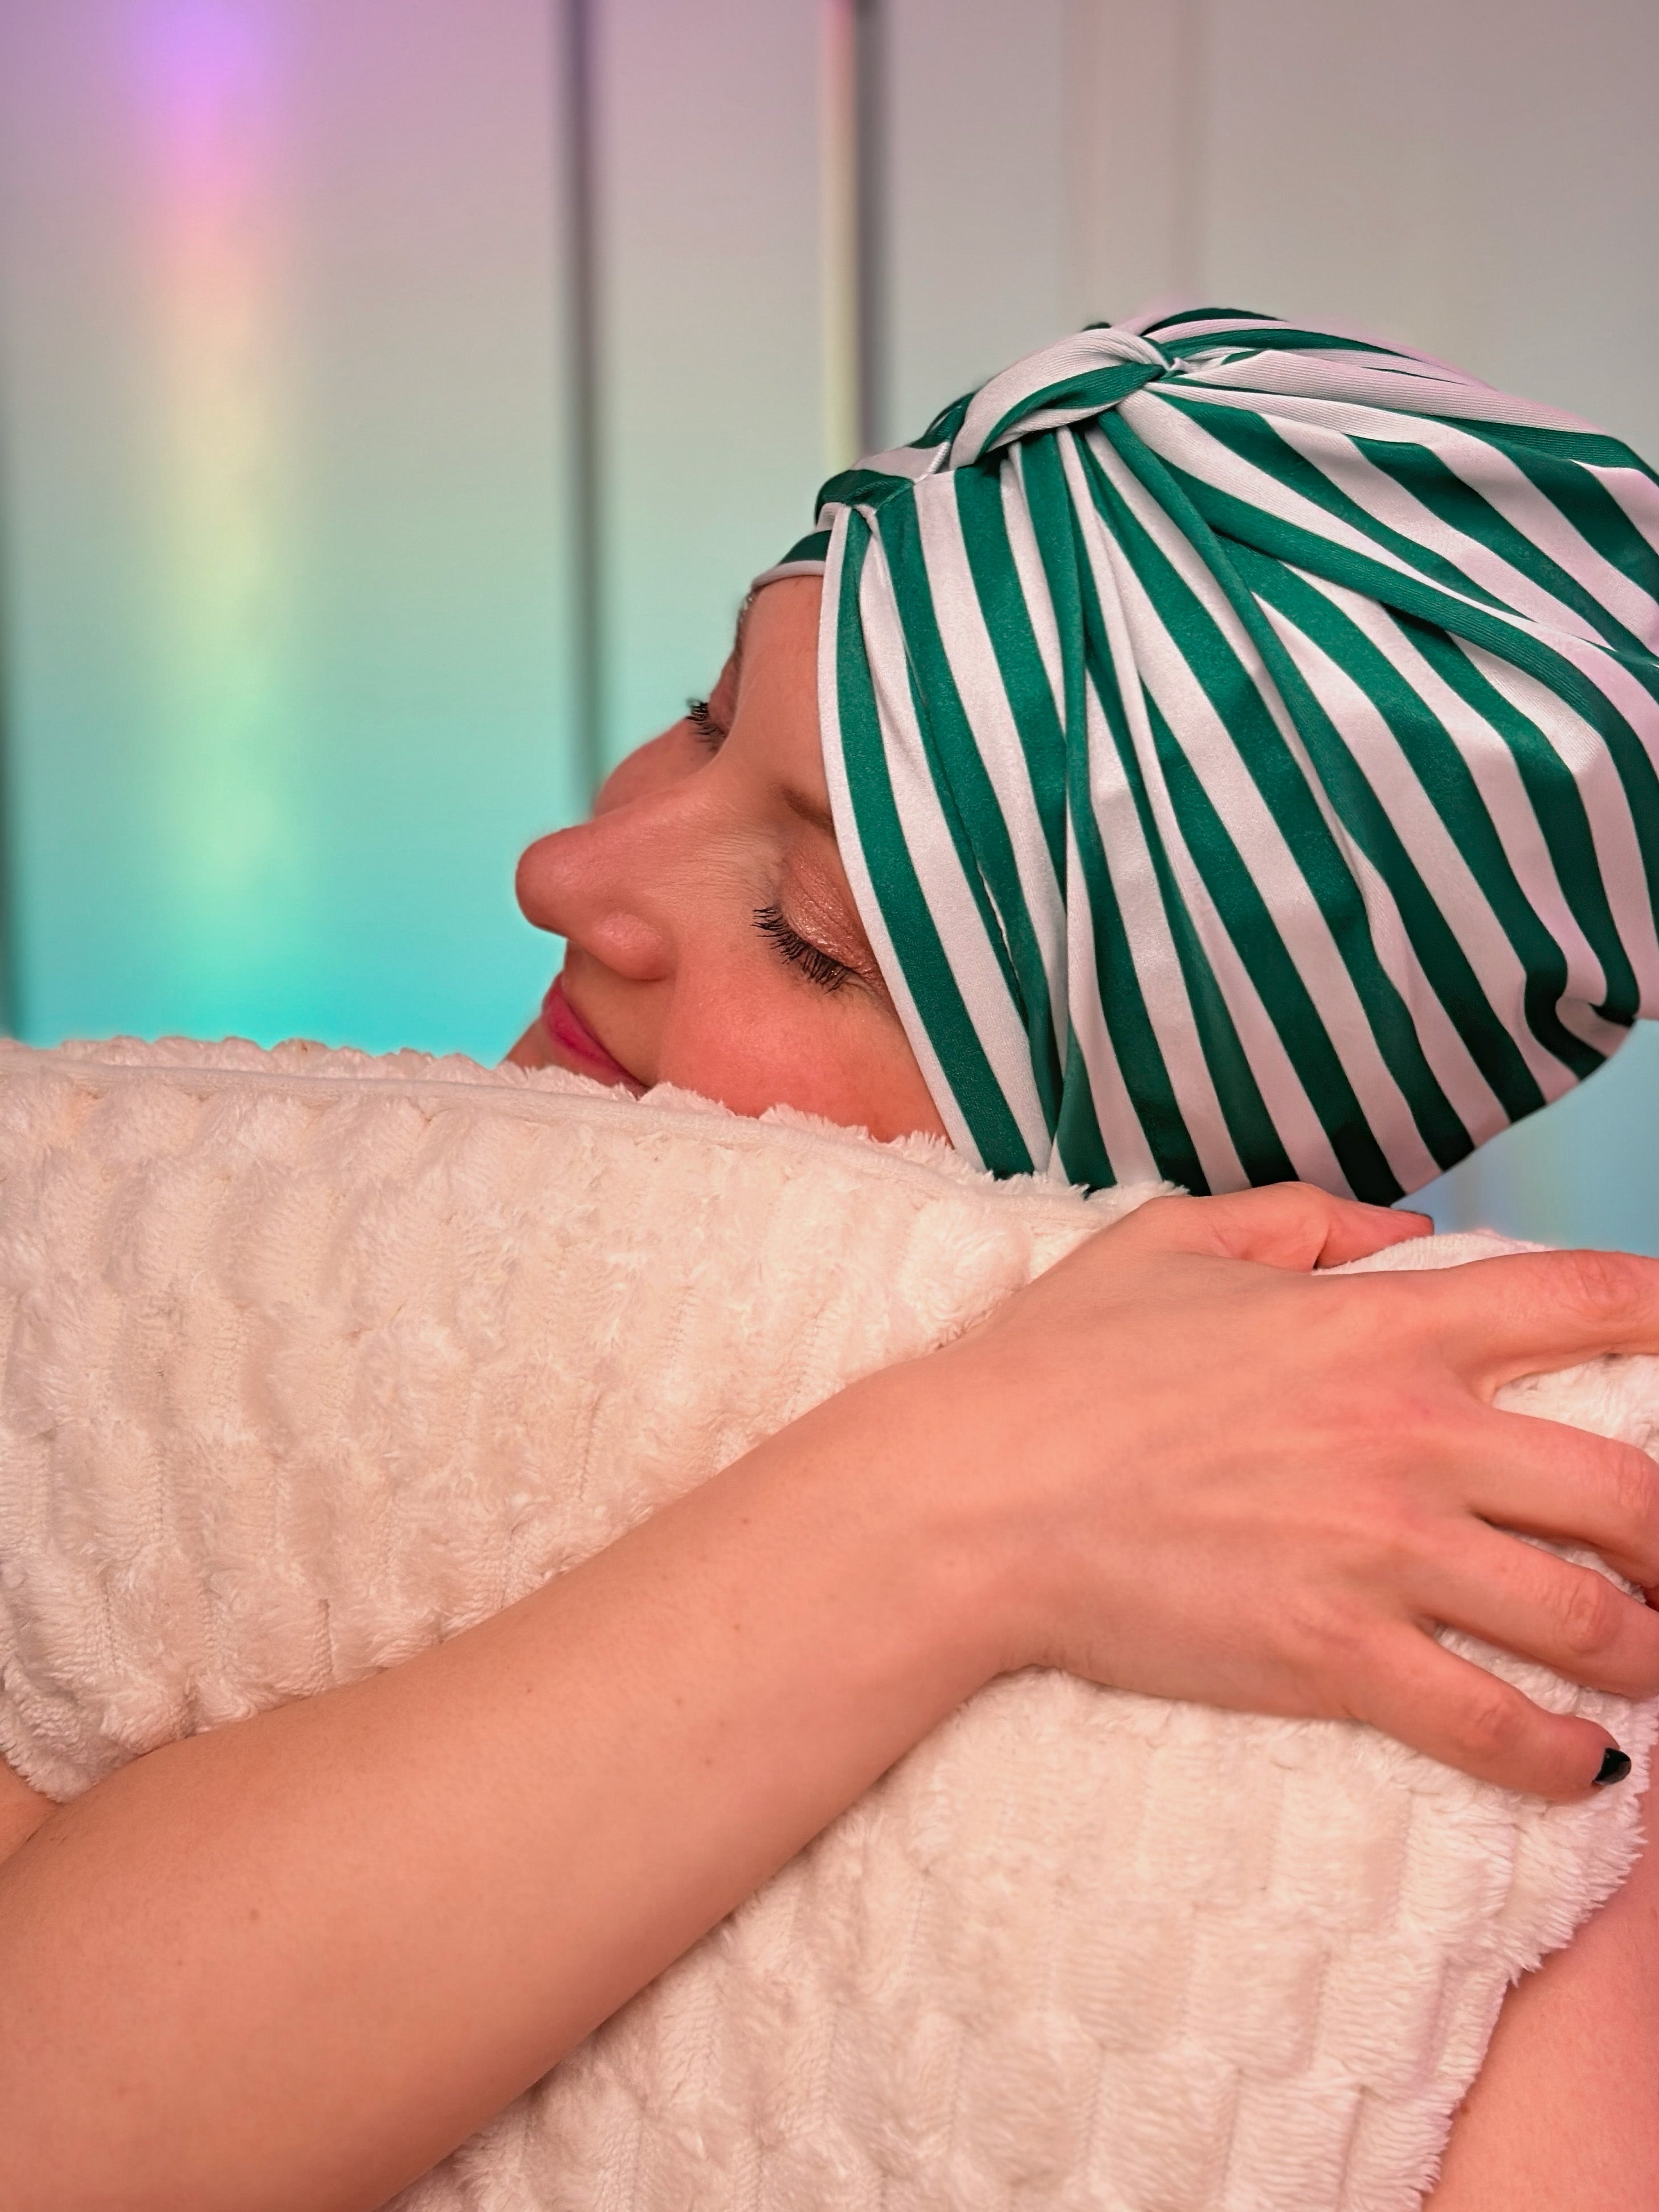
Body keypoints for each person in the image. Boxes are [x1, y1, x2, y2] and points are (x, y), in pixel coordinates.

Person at [5, 310, 1659, 2212]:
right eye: (704, 719)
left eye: (810, 934)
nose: (569, 868)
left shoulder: (1501, 1767)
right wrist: (977, 1497)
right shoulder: (195, 1358)